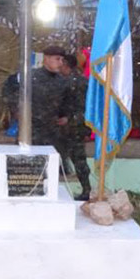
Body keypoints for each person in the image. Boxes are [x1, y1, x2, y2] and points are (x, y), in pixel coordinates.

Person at [30, 45, 71, 171]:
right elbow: (16, 98)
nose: (60, 63)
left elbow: (68, 103)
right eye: (57, 59)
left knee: (54, 170)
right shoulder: (32, 77)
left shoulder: (63, 81)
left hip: (54, 132)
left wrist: (67, 117)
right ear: (46, 59)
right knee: (31, 169)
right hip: (33, 131)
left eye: (62, 60)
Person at [60, 53, 92, 200]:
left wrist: (69, 119)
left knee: (78, 160)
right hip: (69, 127)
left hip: (74, 128)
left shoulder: (77, 83)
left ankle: (86, 190)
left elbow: (84, 108)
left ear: (66, 65)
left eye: (61, 62)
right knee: (72, 159)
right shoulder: (68, 80)